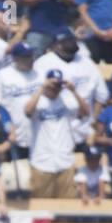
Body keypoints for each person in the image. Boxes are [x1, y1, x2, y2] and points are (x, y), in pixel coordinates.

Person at [27, 68, 83, 197]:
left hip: (65, 161)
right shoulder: (38, 101)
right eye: (52, 85)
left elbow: (85, 113)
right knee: (41, 209)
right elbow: (28, 111)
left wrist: (73, 91)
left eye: (57, 85)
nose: (54, 88)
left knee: (66, 208)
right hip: (41, 162)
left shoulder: (67, 101)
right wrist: (42, 88)